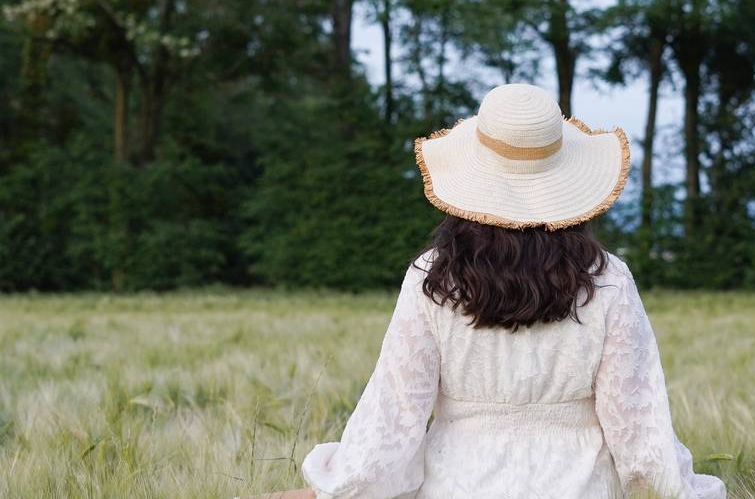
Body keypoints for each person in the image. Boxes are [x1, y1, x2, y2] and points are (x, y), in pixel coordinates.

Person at [253, 83, 725, 499]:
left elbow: (394, 420)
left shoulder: (430, 278)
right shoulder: (608, 279)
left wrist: (335, 491)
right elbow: (638, 430)